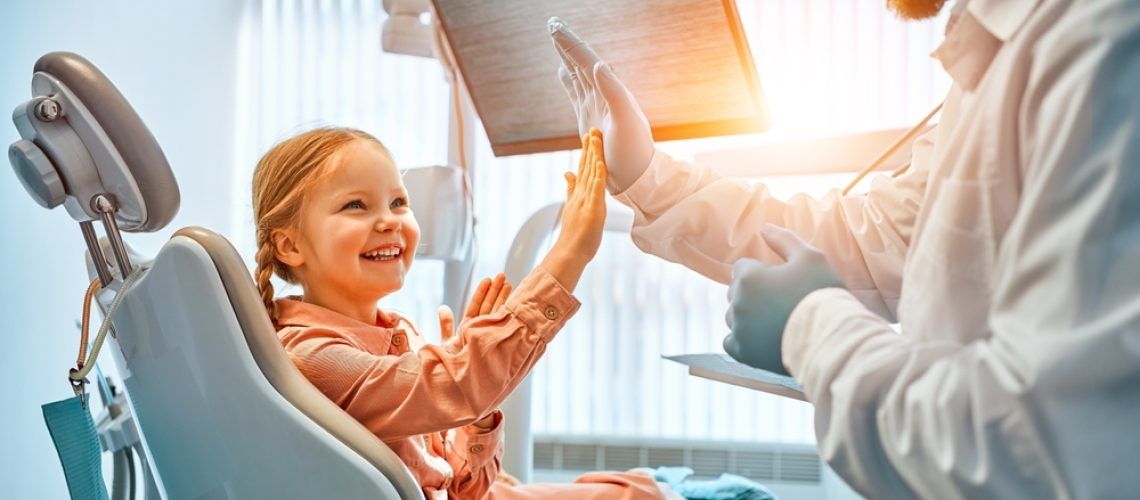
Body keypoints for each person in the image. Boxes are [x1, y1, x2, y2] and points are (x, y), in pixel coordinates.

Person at [548, 0, 1140, 497]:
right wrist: (650, 176)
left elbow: (1042, 448)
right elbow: (873, 237)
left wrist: (811, 327)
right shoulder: (1003, 50)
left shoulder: (1102, 47)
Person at [250, 127, 669, 499]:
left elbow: (467, 487)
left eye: (398, 202)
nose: (389, 221)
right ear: (289, 245)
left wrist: (478, 407)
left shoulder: (402, 333)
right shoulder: (309, 356)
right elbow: (451, 386)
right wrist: (570, 253)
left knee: (638, 489)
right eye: (356, 205)